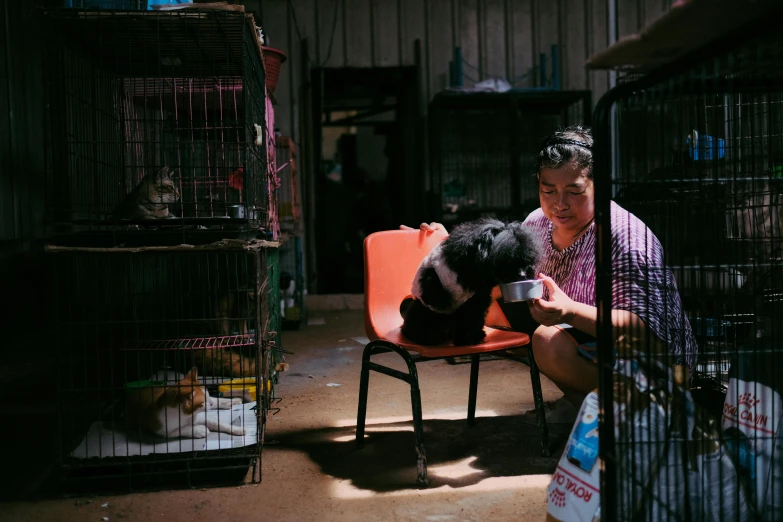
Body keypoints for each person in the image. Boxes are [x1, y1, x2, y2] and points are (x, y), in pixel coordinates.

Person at [403, 126, 697, 407]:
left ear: (600, 186)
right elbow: (489, 275)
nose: (560, 203)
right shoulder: (537, 223)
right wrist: (448, 244)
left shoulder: (626, 238)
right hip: (593, 346)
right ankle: (587, 405)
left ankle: (627, 415)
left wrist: (569, 311)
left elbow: (644, 331)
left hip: (655, 363)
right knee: (491, 304)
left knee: (547, 341)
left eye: (574, 190)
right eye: (549, 190)